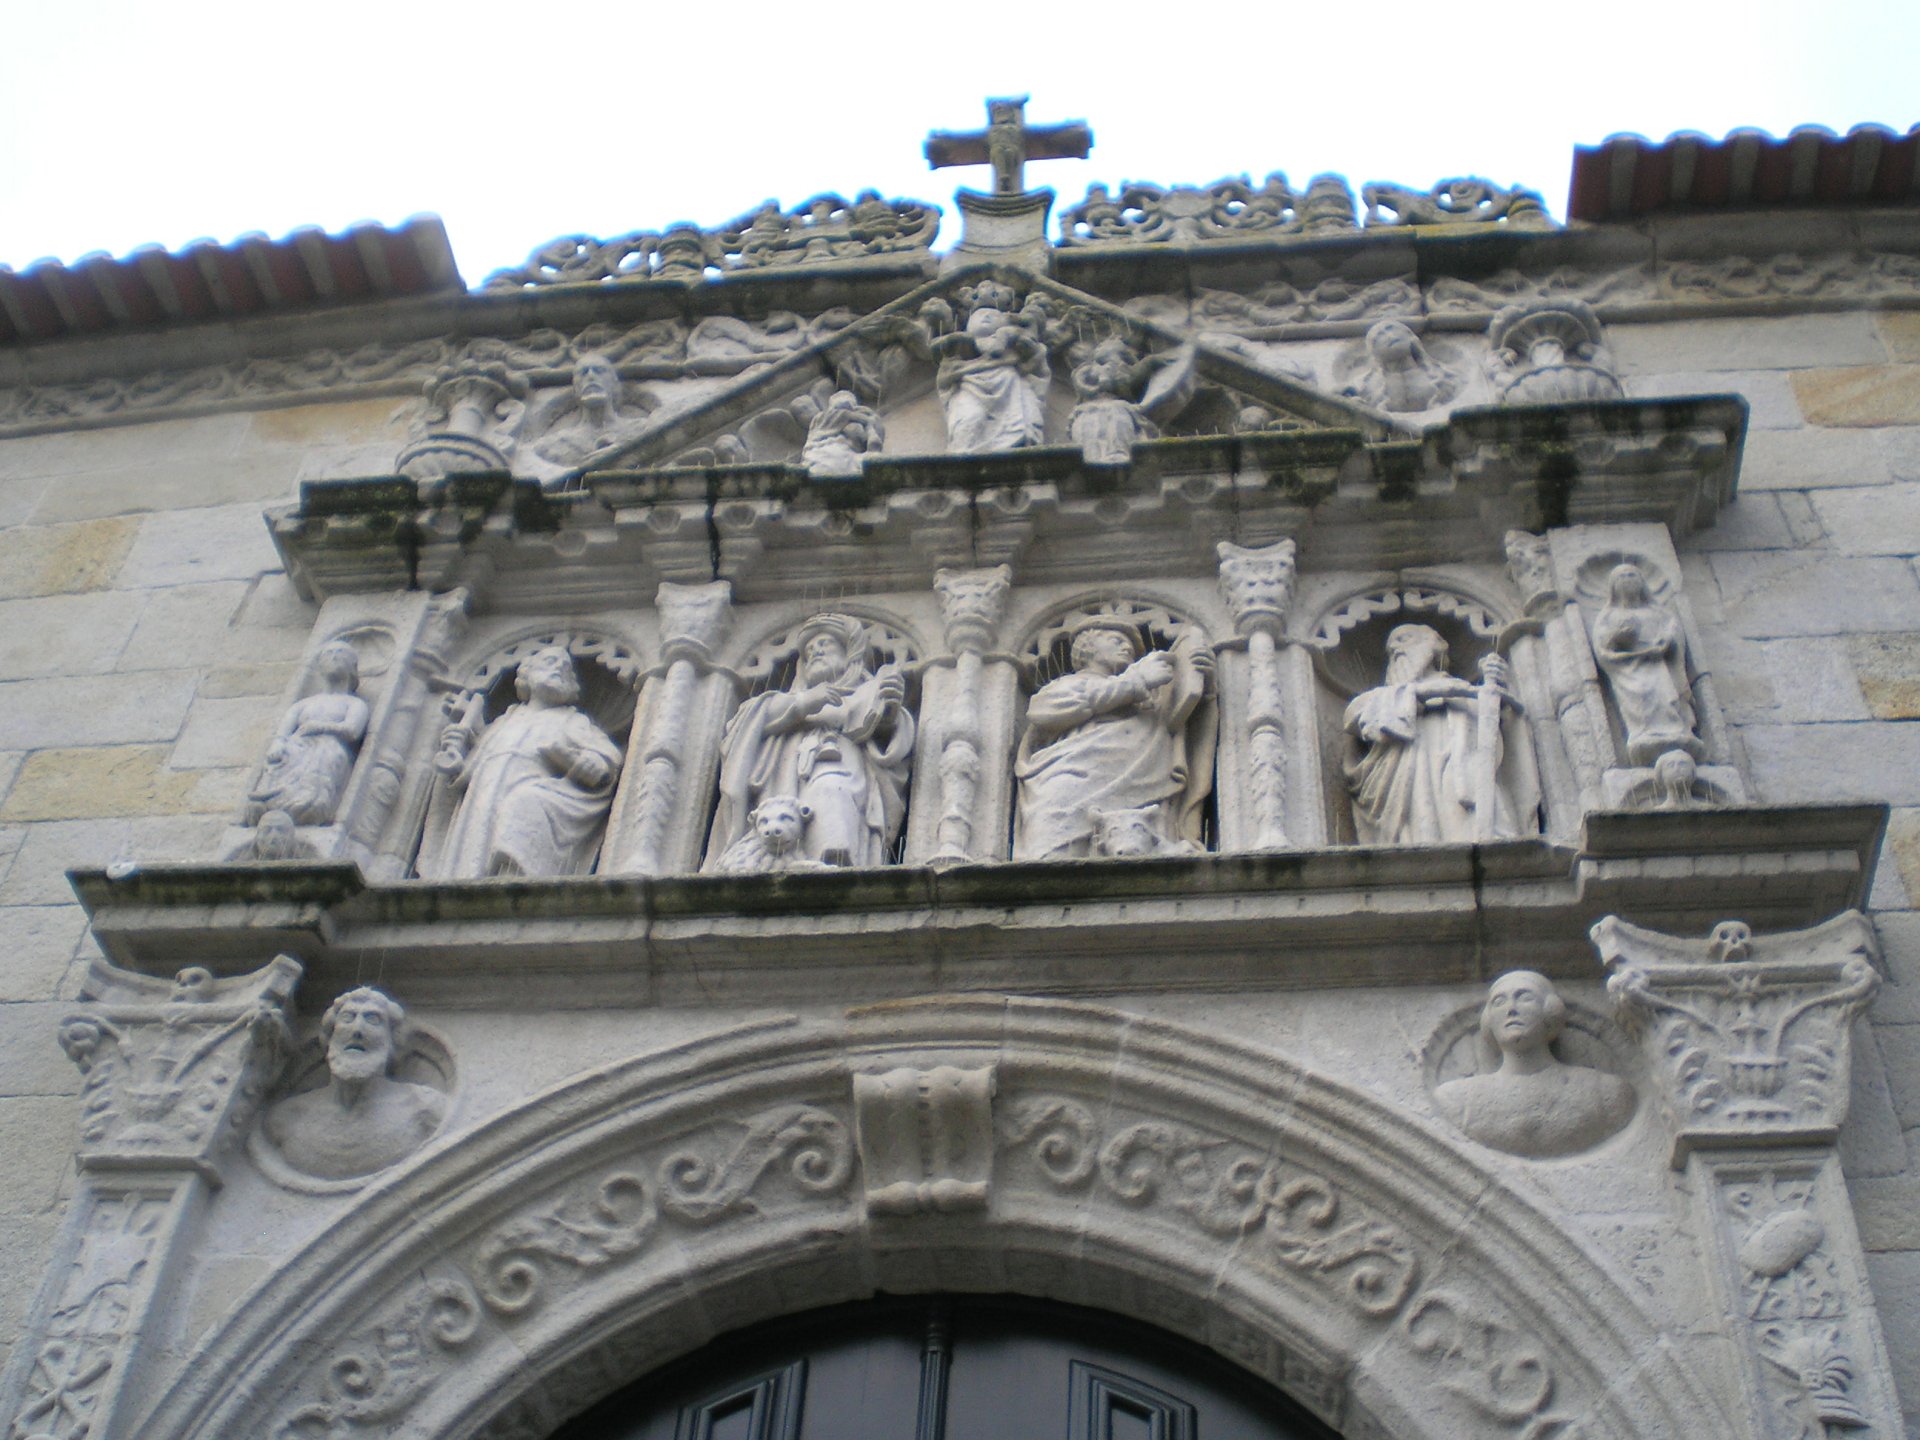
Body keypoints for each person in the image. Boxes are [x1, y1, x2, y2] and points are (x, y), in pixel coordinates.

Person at [705, 615, 915, 870]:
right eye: (809, 650)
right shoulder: (782, 701)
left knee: (831, 791)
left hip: (844, 772)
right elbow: (745, 723)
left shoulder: (867, 694)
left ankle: (835, 864)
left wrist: (889, 710)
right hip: (785, 783)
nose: (816, 651)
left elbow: (890, 744)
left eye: (825, 643)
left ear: (850, 653)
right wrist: (805, 702)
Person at [1014, 617, 1214, 860]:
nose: (1127, 647)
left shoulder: (1147, 700)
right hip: (1070, 779)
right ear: (1088, 646)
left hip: (1141, 781)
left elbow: (1181, 727)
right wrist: (1135, 682)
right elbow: (1043, 712)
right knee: (1052, 856)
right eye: (1116, 640)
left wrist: (1202, 683)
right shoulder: (1066, 686)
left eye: (1128, 644)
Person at [429, 647, 622, 879]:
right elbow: (472, 768)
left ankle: (512, 877)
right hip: (486, 792)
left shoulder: (572, 720)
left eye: (566, 669)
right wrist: (458, 754)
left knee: (521, 807)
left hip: (538, 795)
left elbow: (605, 755)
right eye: (550, 661)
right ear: (527, 673)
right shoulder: (505, 720)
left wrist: (589, 762)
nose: (559, 669)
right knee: (477, 841)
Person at [1343, 624, 1529, 845]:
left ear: (1434, 644)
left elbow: (1498, 727)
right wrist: (1434, 690)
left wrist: (1496, 686)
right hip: (1409, 782)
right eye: (1392, 647)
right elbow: (1354, 717)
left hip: (1459, 772)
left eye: (1405, 639)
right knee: (1421, 822)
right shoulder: (1383, 698)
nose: (1395, 648)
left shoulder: (1464, 692)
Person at [1433, 971, 1633, 1158]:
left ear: (1550, 1011)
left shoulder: (1604, 1092)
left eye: (1525, 998)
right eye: (1499, 1002)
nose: (1511, 1009)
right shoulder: (1458, 1101)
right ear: (1488, 1020)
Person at [262, 987, 446, 1180]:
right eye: (347, 1018)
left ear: (393, 1042)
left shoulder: (425, 1108)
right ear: (330, 1038)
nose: (357, 1030)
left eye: (373, 1020)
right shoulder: (288, 1117)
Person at [244, 641, 369, 826]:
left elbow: (353, 730)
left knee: (327, 758)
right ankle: (272, 801)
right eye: (328, 653)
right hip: (296, 748)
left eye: (340, 653)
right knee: (282, 758)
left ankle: (307, 805)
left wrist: (320, 727)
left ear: (352, 667)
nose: (334, 656)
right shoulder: (304, 704)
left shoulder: (354, 703)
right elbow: (283, 732)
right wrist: (278, 744)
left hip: (327, 749)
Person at [1591, 563, 1702, 765]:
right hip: (1629, 669)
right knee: (1641, 696)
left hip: (1658, 665)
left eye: (1632, 575)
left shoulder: (1657, 613)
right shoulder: (1608, 616)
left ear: (1642, 583)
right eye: (1622, 576)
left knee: (1668, 697)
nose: (1628, 580)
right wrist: (1618, 637)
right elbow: (1603, 647)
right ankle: (1643, 733)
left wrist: (1666, 641)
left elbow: (1672, 630)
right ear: (1613, 586)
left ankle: (1676, 730)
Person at [932, 283, 1049, 452]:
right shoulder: (957, 348)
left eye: (993, 316)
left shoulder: (1015, 341)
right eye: (980, 316)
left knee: (1021, 421)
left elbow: (1036, 363)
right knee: (970, 418)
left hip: (1010, 387)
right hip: (971, 387)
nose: (986, 317)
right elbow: (945, 377)